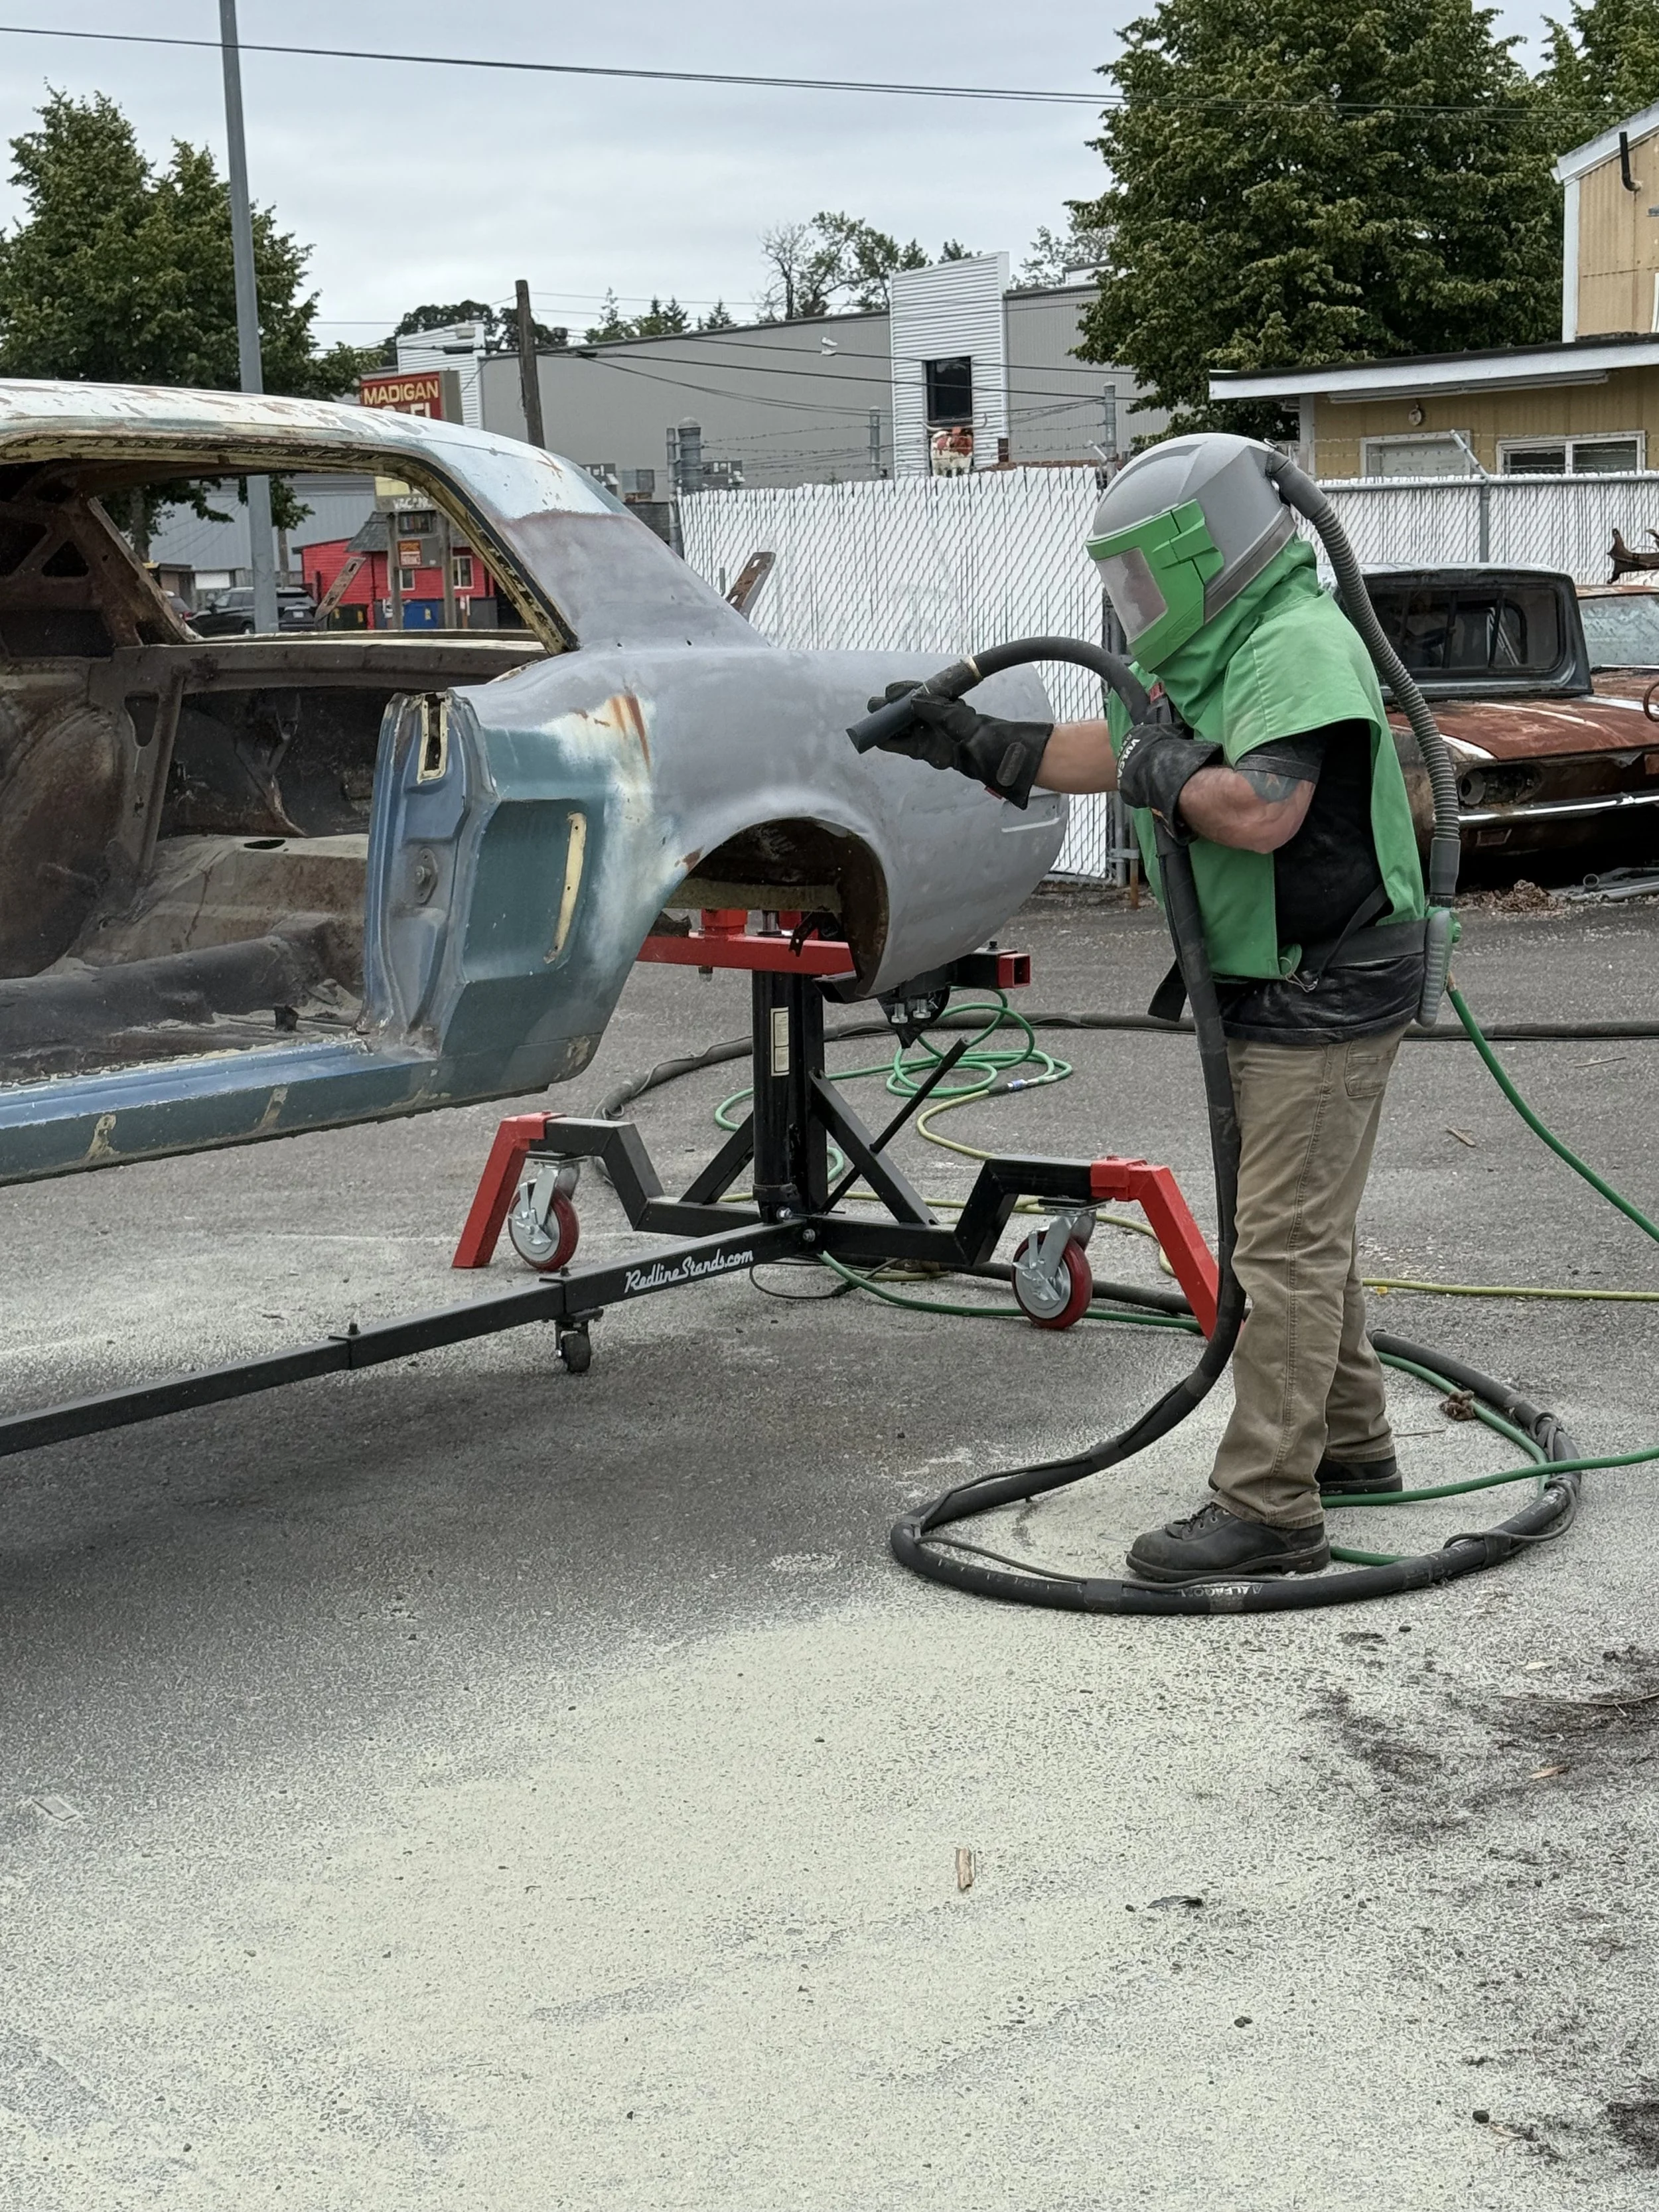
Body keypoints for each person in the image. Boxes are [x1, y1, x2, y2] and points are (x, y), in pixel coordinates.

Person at [869, 433, 1429, 1585]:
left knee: (1282, 1241)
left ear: (1203, 549)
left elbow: (1261, 809)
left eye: (1141, 577)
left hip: (1327, 980)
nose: (1130, 604)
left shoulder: (1296, 644)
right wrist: (979, 745)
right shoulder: (1230, 642)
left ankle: (1271, 1508)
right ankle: (1356, 1447)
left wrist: (1154, 772)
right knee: (1301, 1224)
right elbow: (1123, 743)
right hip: (1282, 975)